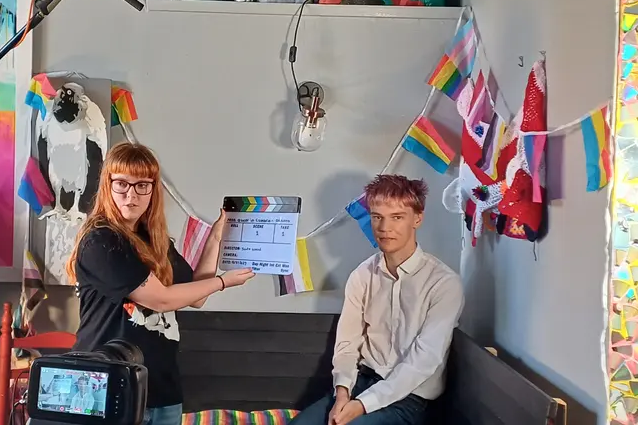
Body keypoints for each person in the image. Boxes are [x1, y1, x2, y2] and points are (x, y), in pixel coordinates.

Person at [67, 143, 255, 425]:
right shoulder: (101, 240)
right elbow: (161, 299)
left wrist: (216, 238)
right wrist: (223, 283)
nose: (131, 195)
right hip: (109, 384)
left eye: (142, 185)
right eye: (122, 184)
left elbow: (195, 295)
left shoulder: (156, 242)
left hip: (162, 386)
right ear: (108, 186)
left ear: (153, 190)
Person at [288, 175, 464, 425]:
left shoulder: (444, 283)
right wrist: (342, 394)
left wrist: (362, 406)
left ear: (417, 218)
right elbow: (347, 344)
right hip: (360, 383)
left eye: (397, 217)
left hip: (409, 397)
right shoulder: (362, 275)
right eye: (377, 216)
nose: (384, 227)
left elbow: (423, 361)